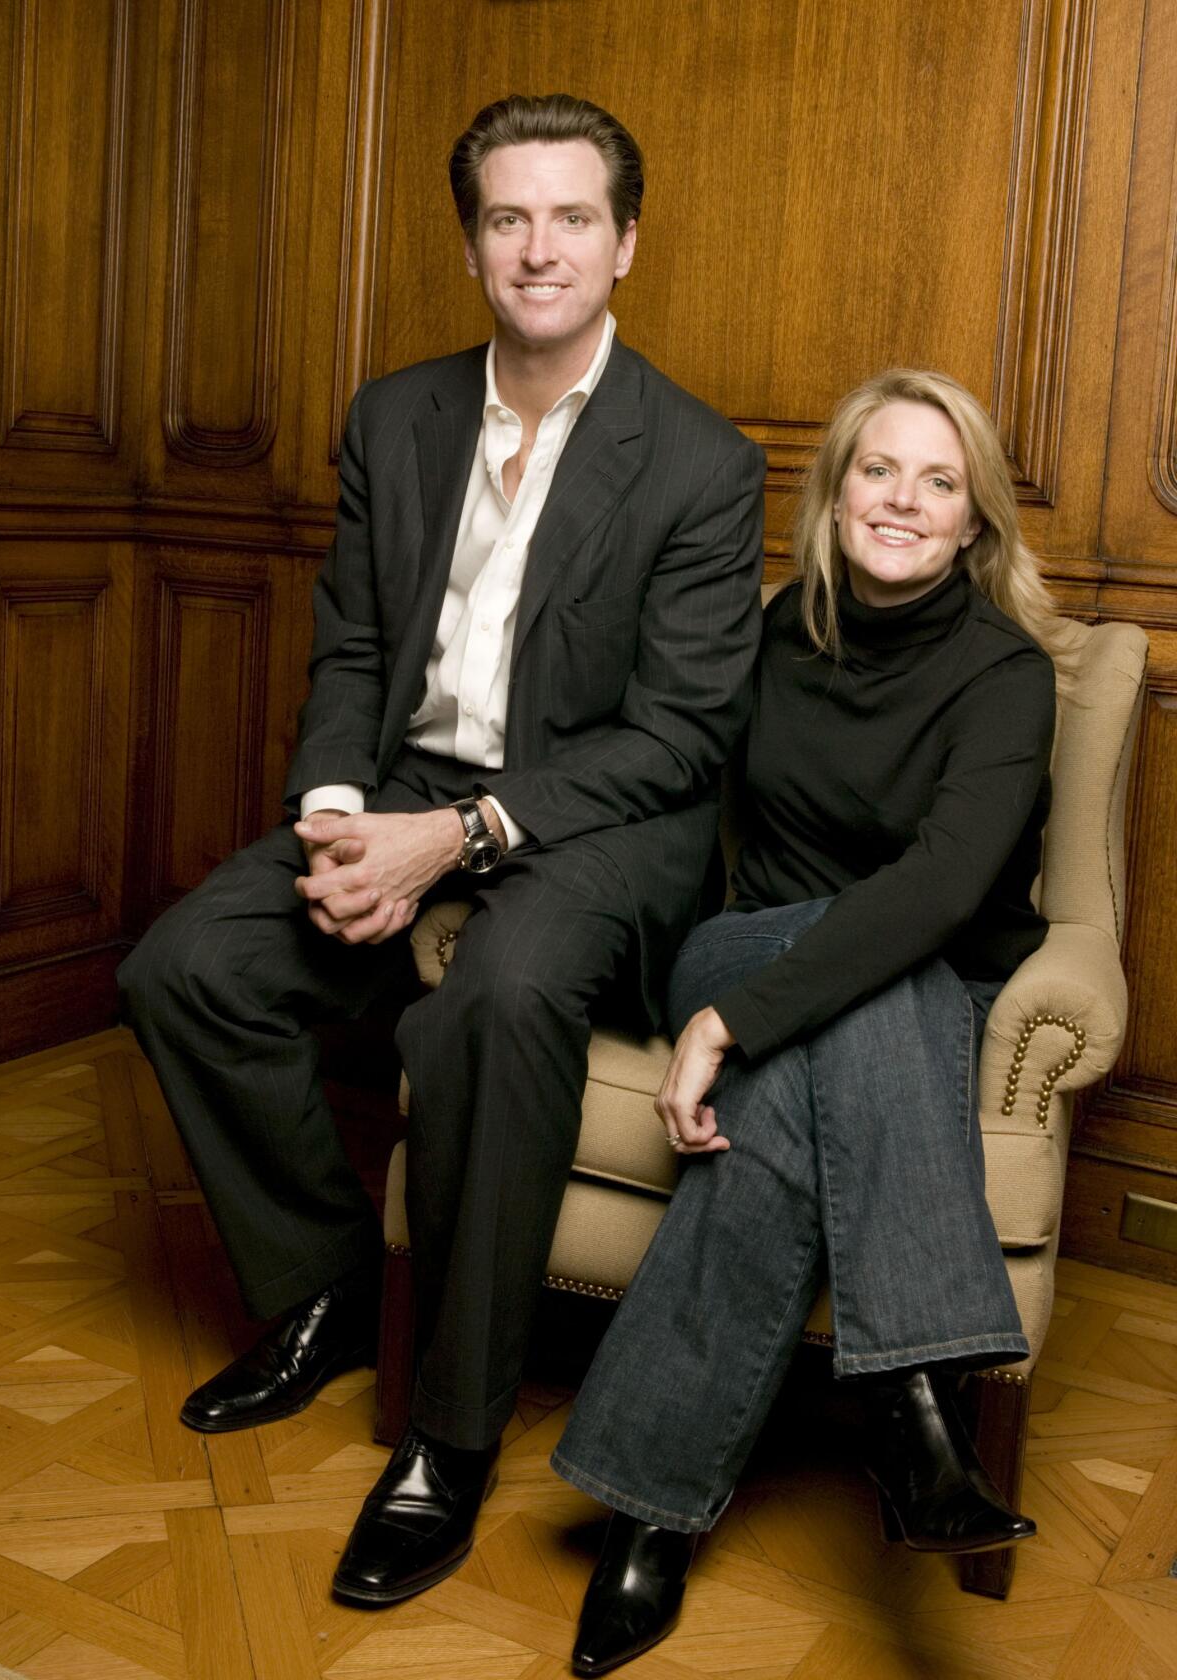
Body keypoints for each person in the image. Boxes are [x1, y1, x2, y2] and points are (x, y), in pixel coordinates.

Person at [117, 92, 765, 1608]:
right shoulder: (394, 414)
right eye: (507, 217)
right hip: (403, 786)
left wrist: (453, 838)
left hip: (592, 819)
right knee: (182, 969)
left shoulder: (700, 464)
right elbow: (350, 647)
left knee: (497, 1001)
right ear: (473, 242)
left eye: (573, 219)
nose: (538, 248)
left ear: (625, 246)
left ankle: (449, 1435)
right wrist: (339, 819)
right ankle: (326, 1291)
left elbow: (677, 739)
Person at [551, 368, 1066, 1676]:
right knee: (869, 979)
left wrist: (735, 1032)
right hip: (749, 943)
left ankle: (645, 1514)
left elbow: (944, 890)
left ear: (974, 521)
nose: (901, 500)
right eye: (876, 471)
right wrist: (702, 991)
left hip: (912, 968)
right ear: (834, 497)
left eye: (936, 481)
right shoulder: (770, 636)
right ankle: (911, 1410)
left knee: (837, 1034)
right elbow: (648, 765)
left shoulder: (1008, 676)